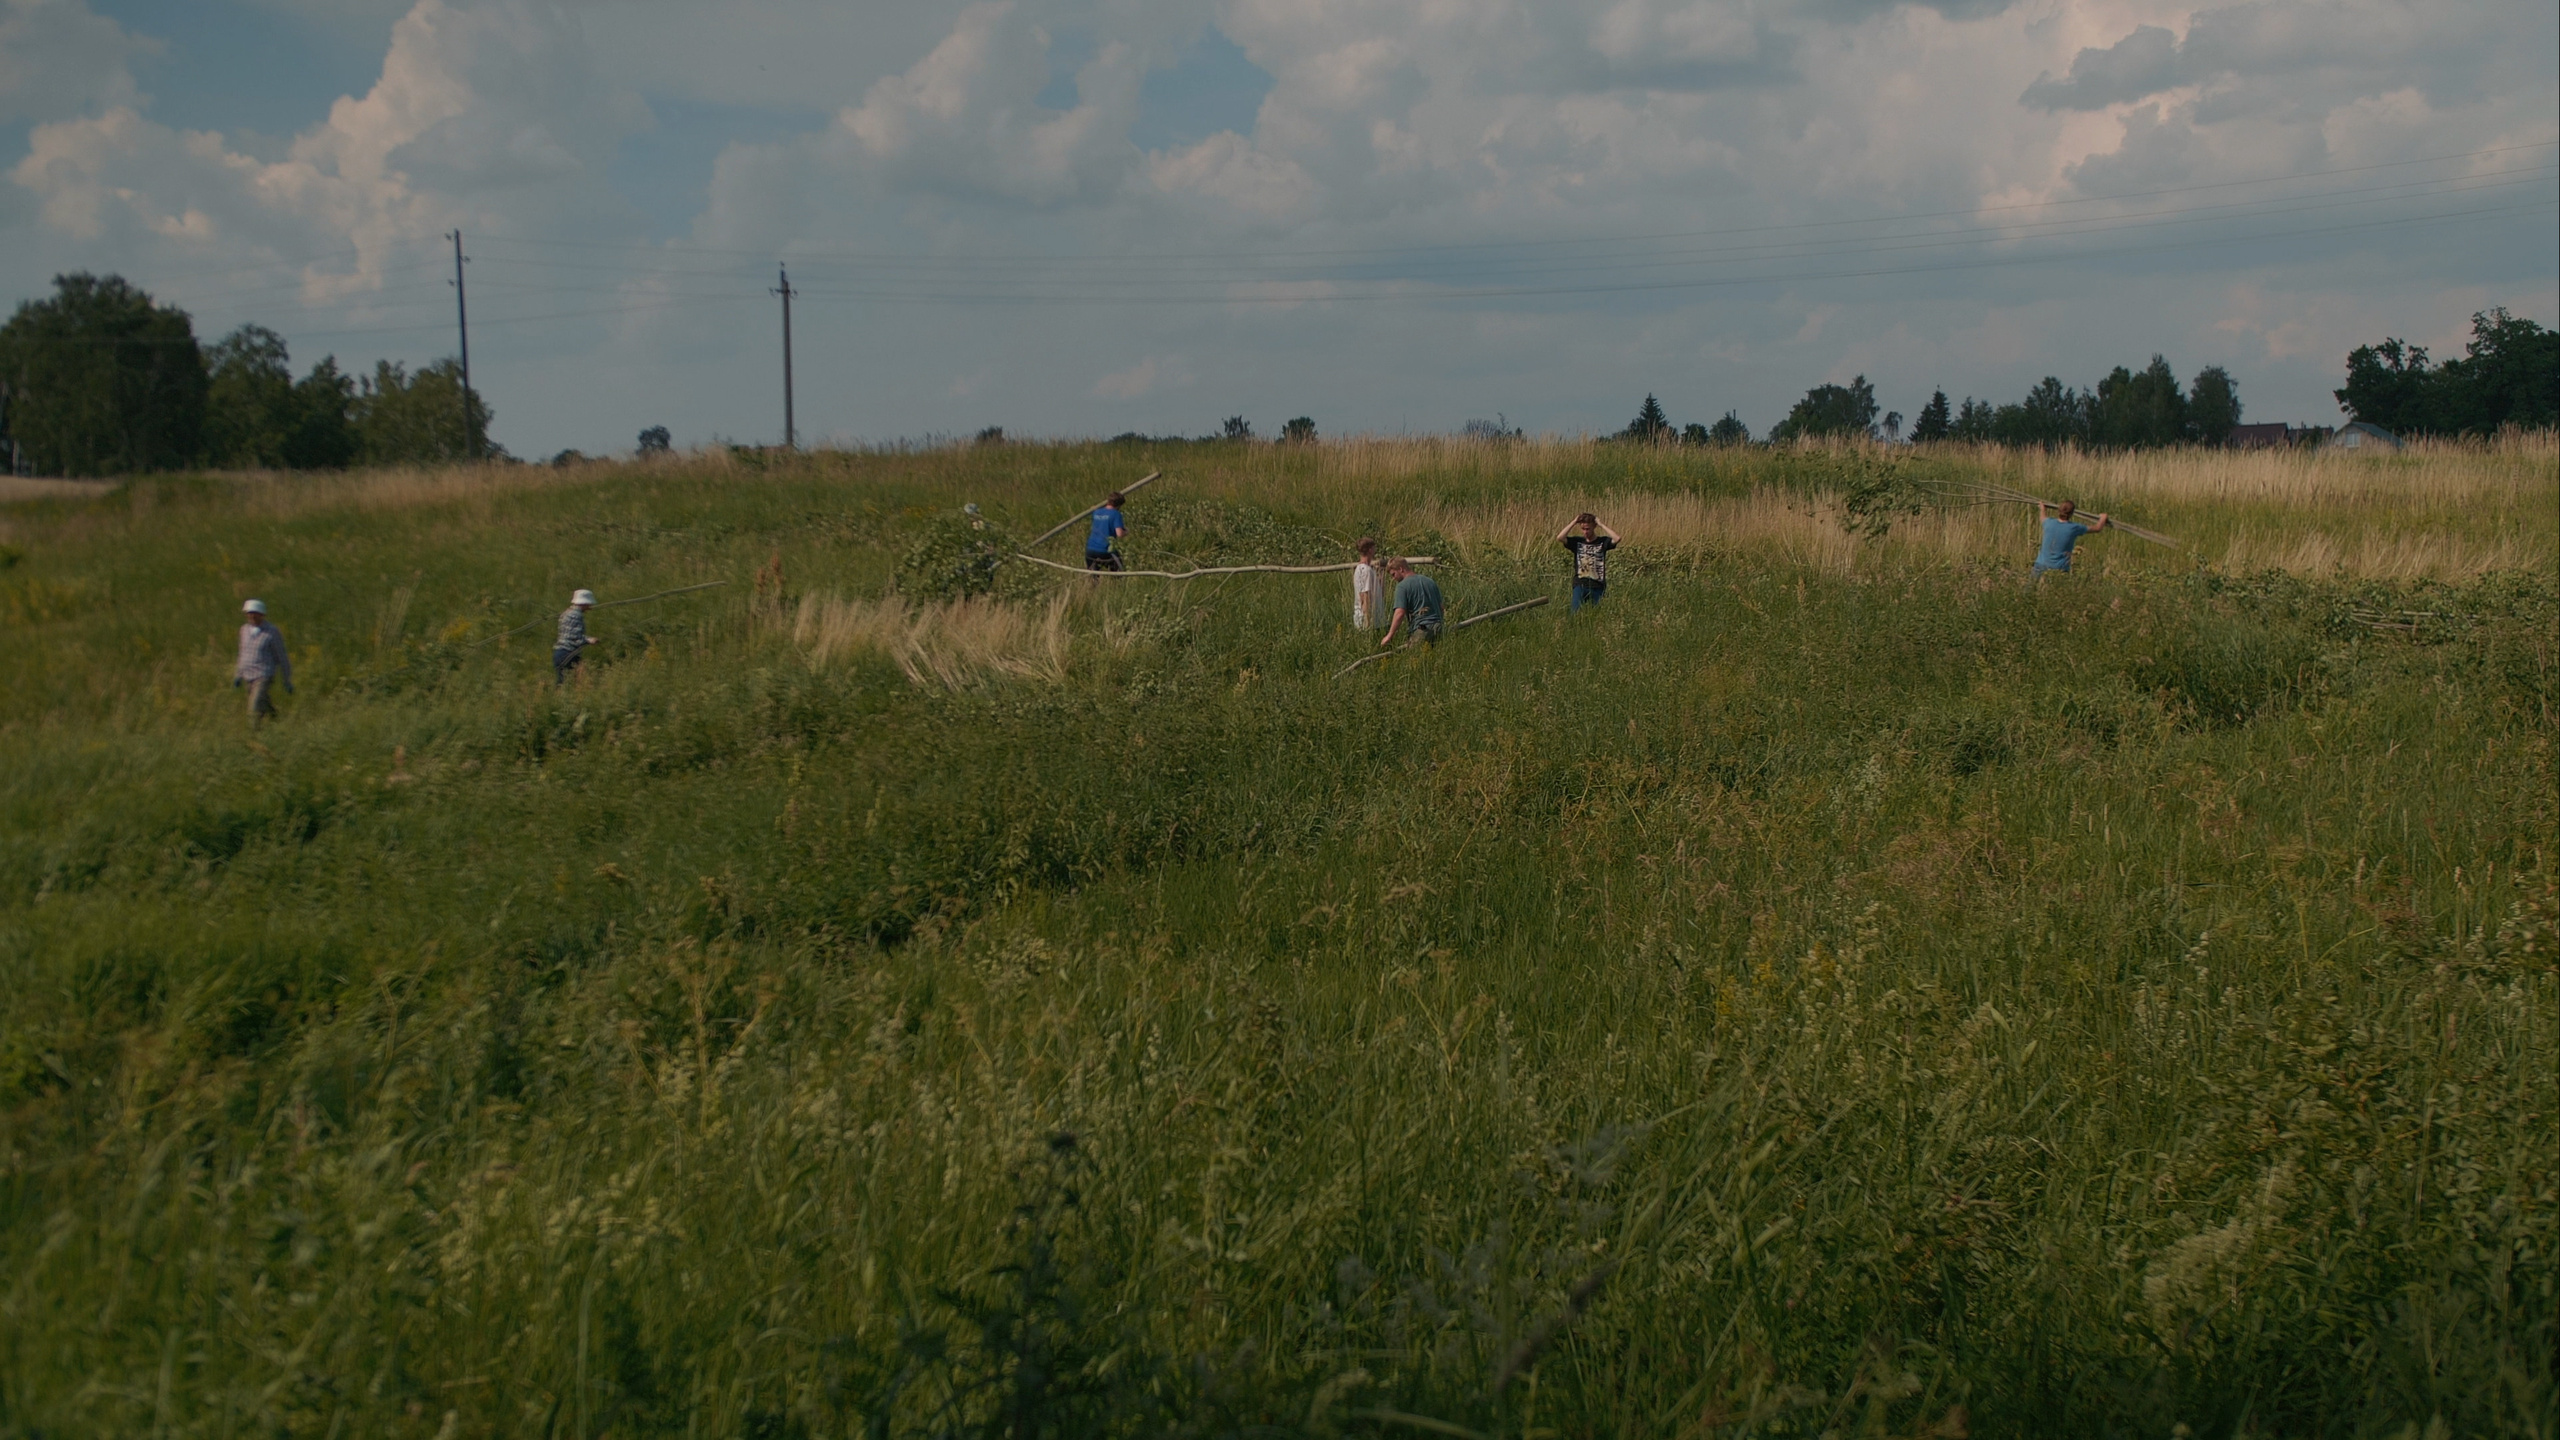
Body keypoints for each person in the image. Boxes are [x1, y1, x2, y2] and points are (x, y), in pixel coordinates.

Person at [233, 599, 292, 726]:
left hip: (263, 675)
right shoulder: (244, 630)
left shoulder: (272, 631)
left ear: (262, 615)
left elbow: (281, 656)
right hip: (247, 675)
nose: (252, 616)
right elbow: (242, 653)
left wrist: (286, 680)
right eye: (250, 613)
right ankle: (276, 719)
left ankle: (254, 732)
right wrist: (238, 675)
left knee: (254, 706)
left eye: (256, 613)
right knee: (263, 702)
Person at [1557, 511, 1619, 612]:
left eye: (1588, 529)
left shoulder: (1602, 542)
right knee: (1574, 612)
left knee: (1596, 615)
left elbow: (1617, 538)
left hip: (1597, 585)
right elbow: (1560, 537)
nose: (1585, 532)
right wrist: (1574, 522)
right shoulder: (1577, 542)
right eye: (1583, 529)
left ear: (1594, 527)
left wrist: (1601, 524)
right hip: (1580, 584)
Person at [2032, 499, 2110, 578]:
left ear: (2058, 511)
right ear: (2072, 513)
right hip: (2060, 568)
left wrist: (2042, 509)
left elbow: (2042, 518)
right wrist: (2103, 518)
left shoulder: (2048, 523)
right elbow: (2097, 528)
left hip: (2041, 564)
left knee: (2031, 588)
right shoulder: (2074, 528)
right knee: (2059, 590)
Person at [1379, 556, 1444, 648]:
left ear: (1401, 569)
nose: (1393, 578)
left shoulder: (1402, 587)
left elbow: (1400, 613)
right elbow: (1441, 607)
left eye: (1393, 574)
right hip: (1439, 627)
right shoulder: (1430, 581)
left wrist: (1389, 636)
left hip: (1421, 630)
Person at [555, 588, 599, 684]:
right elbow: (575, 637)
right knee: (568, 683)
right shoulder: (576, 615)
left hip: (559, 652)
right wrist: (589, 640)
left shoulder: (566, 613)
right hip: (568, 653)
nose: (590, 606)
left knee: (562, 682)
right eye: (589, 604)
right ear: (584, 603)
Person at [1351, 537, 1387, 630]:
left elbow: (1378, 593)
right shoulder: (1365, 570)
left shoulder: (1367, 570)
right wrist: (1367, 621)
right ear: (1370, 550)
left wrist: (1380, 577)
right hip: (1370, 622)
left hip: (1377, 620)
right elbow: (1365, 596)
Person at [1086, 491, 1127, 571]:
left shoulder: (1096, 512)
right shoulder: (1115, 514)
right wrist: (1126, 532)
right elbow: (1119, 534)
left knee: (1093, 576)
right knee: (1119, 573)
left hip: (1090, 549)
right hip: (1105, 550)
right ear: (1119, 505)